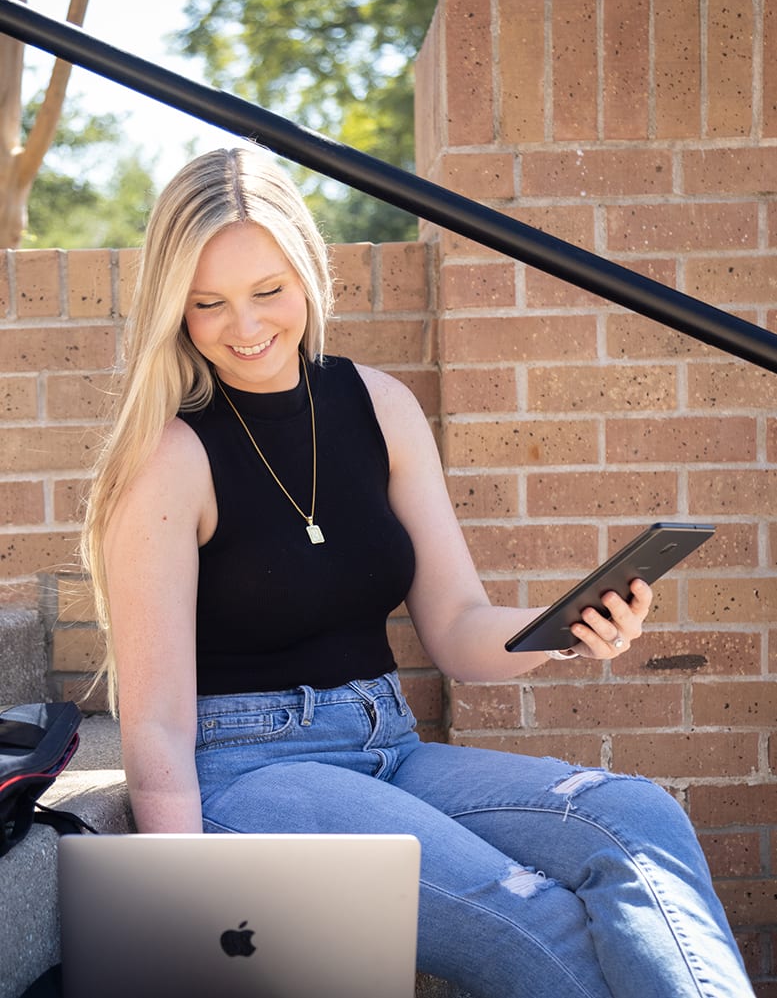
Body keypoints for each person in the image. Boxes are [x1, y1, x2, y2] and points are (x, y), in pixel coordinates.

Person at [82, 146, 754, 998]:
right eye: (207, 303)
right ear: (173, 306)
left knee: (634, 816)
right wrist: (180, 911)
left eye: (267, 291)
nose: (242, 326)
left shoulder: (380, 405)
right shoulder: (168, 458)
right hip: (253, 774)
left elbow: (459, 627)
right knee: (532, 910)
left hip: (390, 747)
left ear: (308, 274)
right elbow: (156, 726)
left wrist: (564, 630)